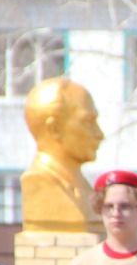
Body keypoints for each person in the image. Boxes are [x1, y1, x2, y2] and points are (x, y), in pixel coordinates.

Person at [19, 76, 103, 229]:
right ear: (54, 129)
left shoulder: (83, 188)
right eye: (88, 122)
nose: (99, 134)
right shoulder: (38, 182)